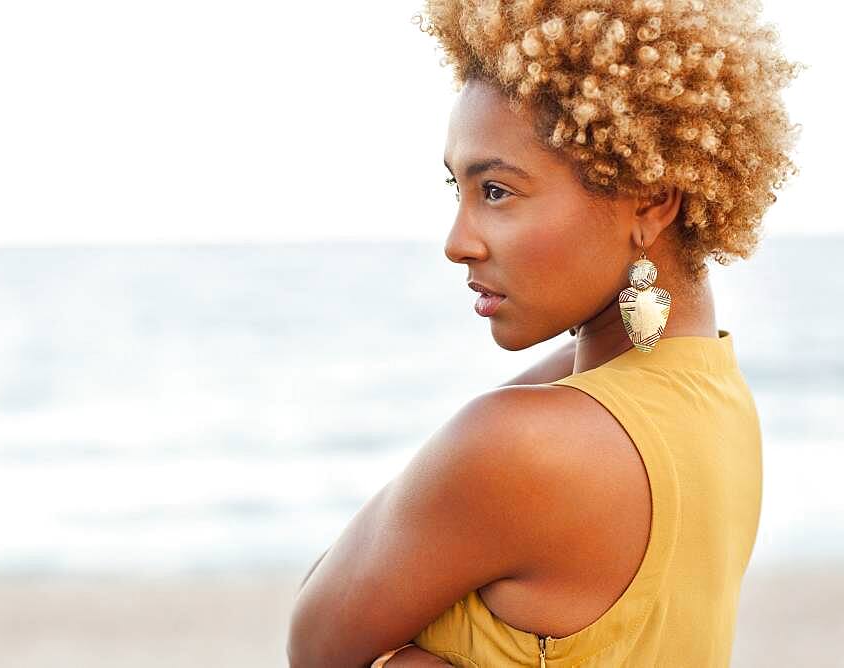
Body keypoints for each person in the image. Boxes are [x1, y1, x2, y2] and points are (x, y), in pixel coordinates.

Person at [287, 0, 801, 665]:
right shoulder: (718, 397)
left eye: (496, 191)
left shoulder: (519, 444)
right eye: (458, 190)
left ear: (649, 200)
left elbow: (315, 641)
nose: (457, 242)